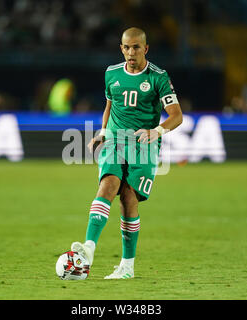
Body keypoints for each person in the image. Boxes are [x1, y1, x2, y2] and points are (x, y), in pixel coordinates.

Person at [70, 27, 183, 279]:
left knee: (128, 200)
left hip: (144, 145)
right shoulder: (111, 73)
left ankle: (127, 267)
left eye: (136, 47)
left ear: (146, 48)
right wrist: (102, 131)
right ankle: (88, 248)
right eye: (126, 47)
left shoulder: (158, 77)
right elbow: (109, 105)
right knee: (107, 186)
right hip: (115, 140)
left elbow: (177, 116)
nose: (131, 52)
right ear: (121, 48)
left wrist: (158, 131)